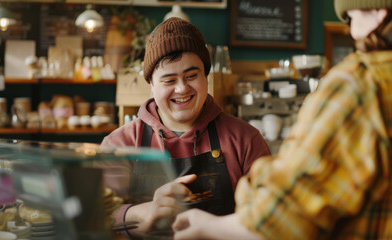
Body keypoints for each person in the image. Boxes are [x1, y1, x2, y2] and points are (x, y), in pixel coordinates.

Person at [172, 0, 392, 239]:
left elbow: (281, 222)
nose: (352, 32)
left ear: (379, 10)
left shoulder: (361, 83)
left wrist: (207, 225)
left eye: (352, 18)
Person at [100, 17, 271, 237]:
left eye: (191, 76)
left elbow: (270, 217)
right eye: (169, 80)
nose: (182, 89)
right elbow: (98, 216)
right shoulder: (119, 144)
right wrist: (145, 214)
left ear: (205, 76)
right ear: (151, 83)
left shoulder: (246, 139)